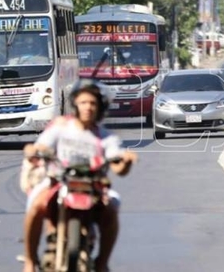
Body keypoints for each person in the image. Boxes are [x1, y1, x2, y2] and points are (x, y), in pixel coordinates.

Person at [21, 79, 138, 272]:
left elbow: (118, 168)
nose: (88, 107)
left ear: (99, 107)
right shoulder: (60, 129)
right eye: (84, 102)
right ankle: (30, 261)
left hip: (93, 187)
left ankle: (102, 263)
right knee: (35, 207)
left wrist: (125, 161)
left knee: (112, 208)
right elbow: (40, 146)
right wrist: (33, 149)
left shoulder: (106, 137)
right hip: (57, 184)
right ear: (75, 104)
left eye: (92, 103)